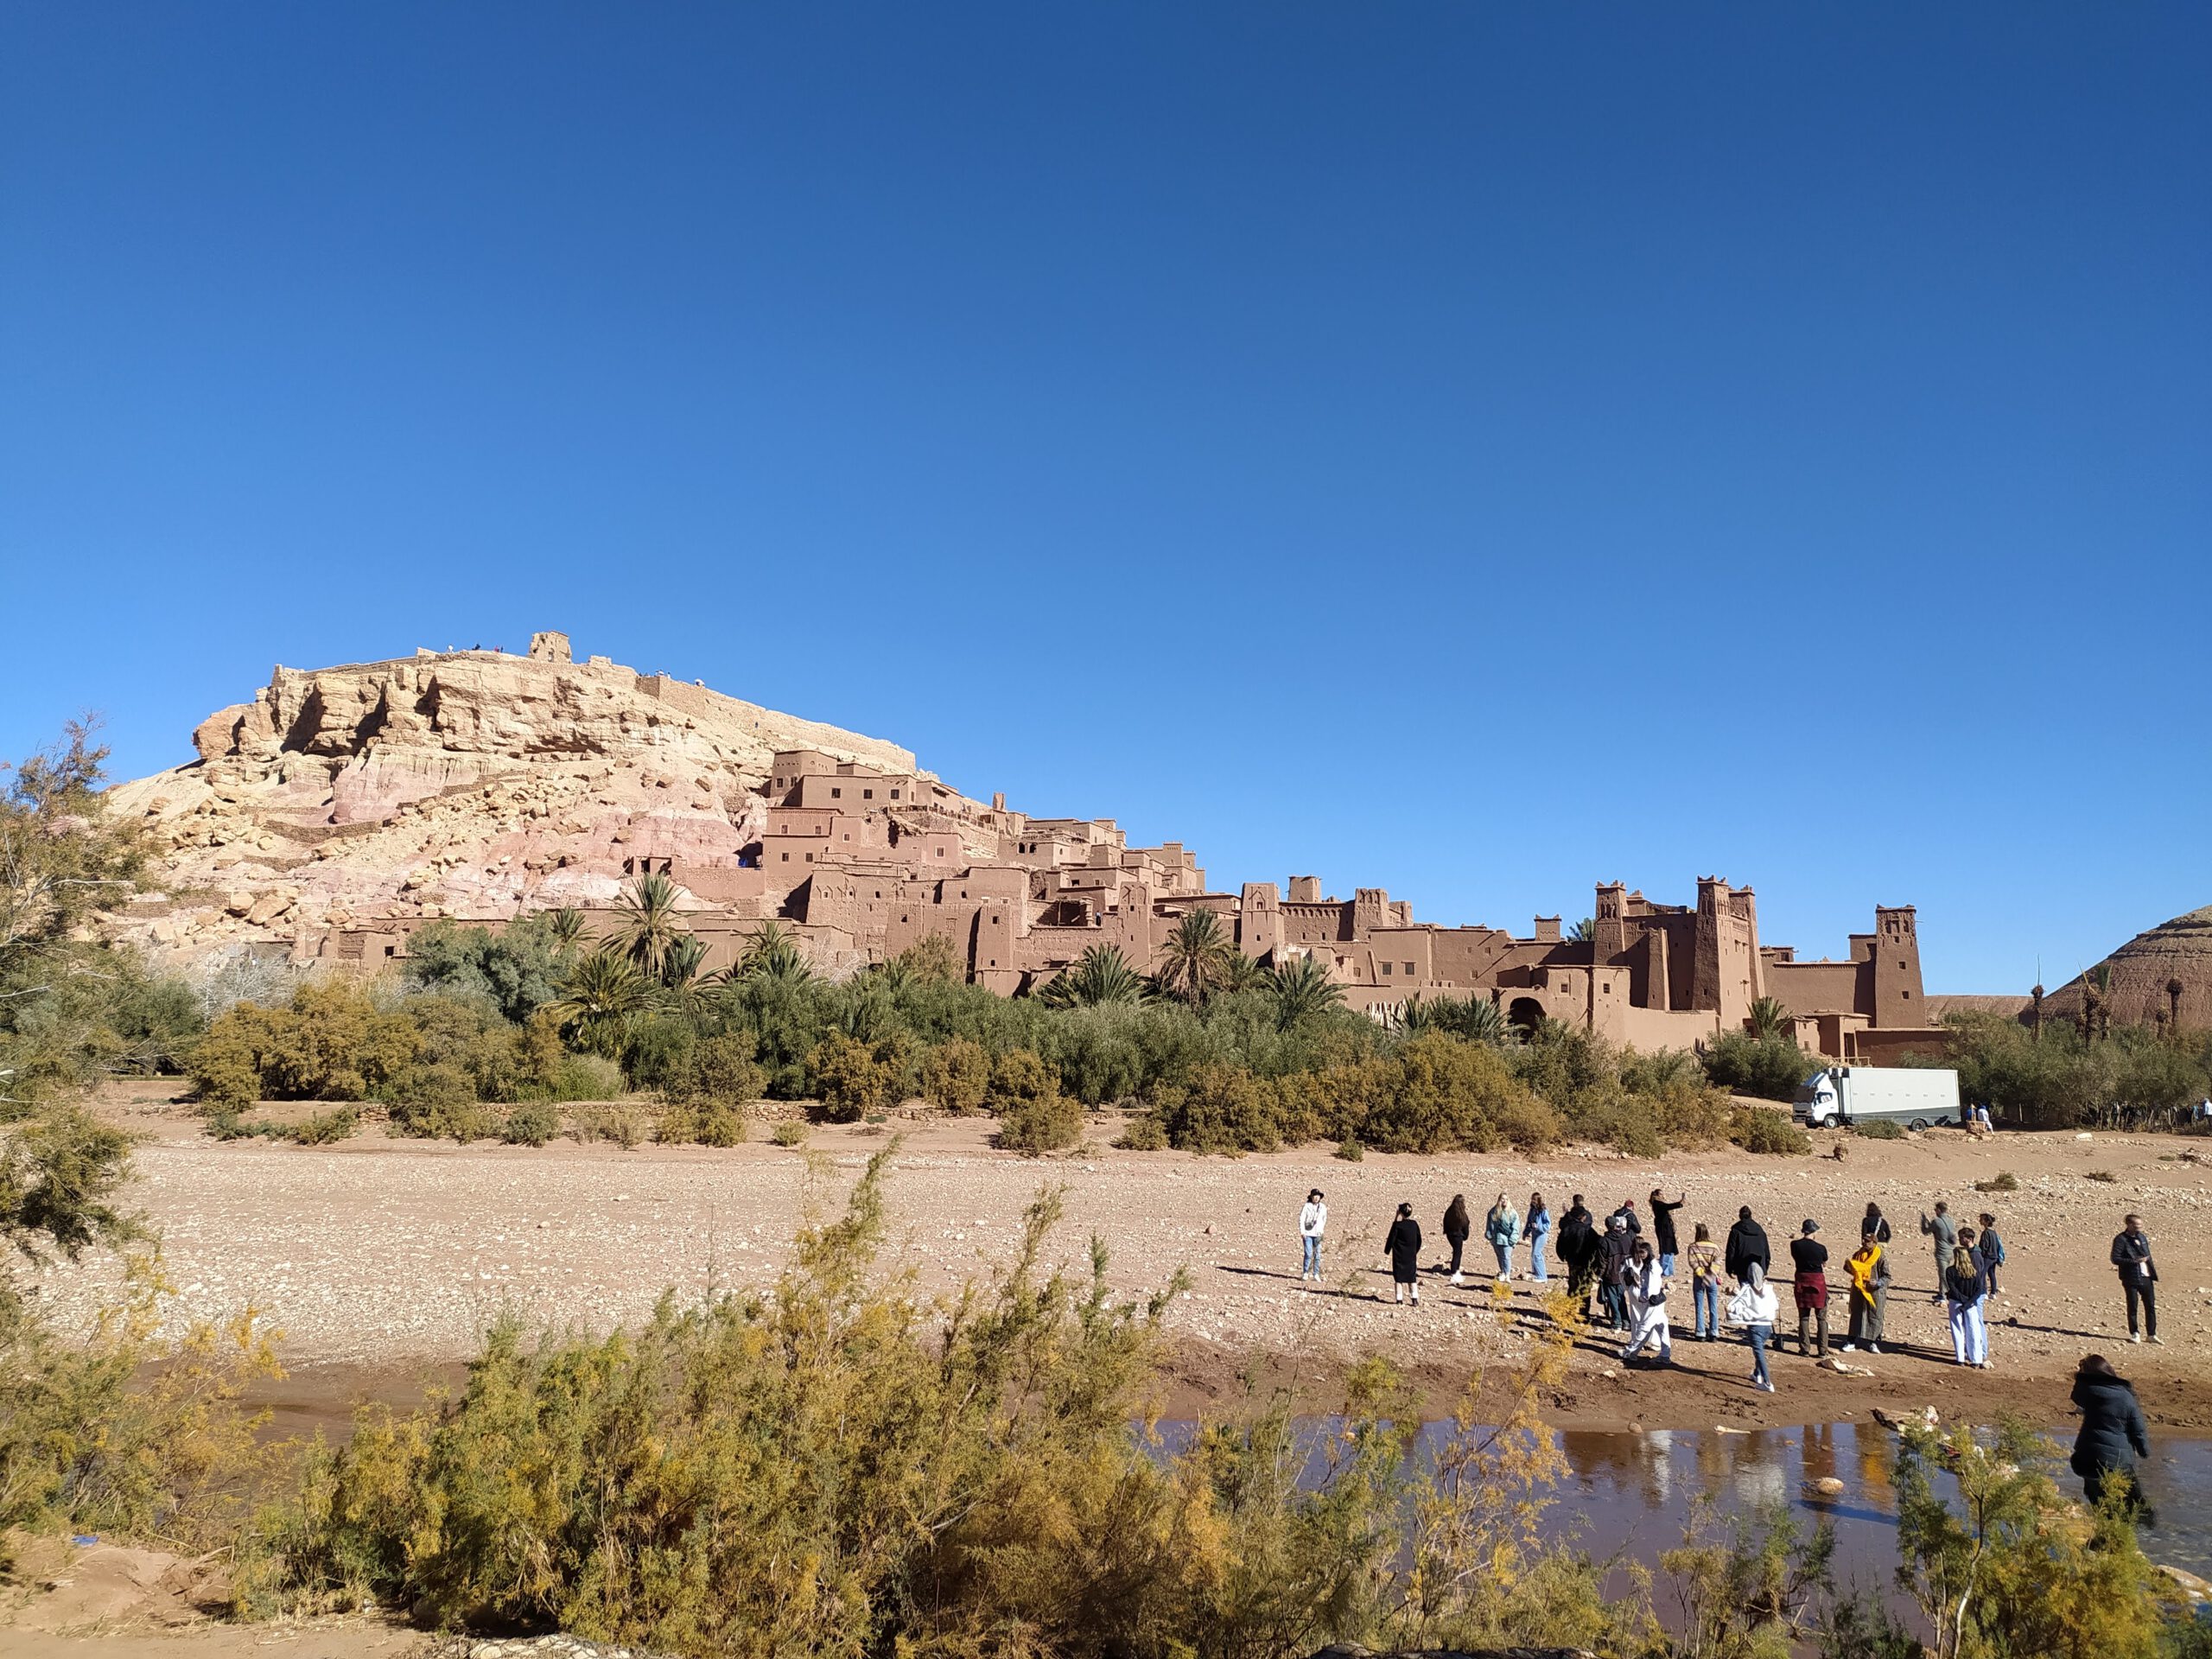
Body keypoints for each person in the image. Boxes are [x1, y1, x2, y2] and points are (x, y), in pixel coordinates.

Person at [2071, 1354, 2154, 1518]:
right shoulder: (2125, 1396)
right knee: (2133, 1506)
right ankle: (2141, 1535)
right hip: (2117, 1461)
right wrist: (2144, 1451)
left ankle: (2103, 1533)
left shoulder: (2087, 1391)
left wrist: (2081, 1377)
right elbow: (2138, 1429)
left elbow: (2076, 1396)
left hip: (2087, 1458)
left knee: (2099, 1503)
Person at [1620, 1237, 1672, 1366]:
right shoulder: (1651, 1265)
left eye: (1643, 1252)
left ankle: (1630, 1352)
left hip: (1652, 1300)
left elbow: (1652, 1284)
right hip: (1656, 1300)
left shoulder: (1652, 1266)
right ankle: (1665, 1355)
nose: (1641, 1255)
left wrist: (1646, 1297)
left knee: (1644, 1327)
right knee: (1662, 1327)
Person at [1729, 1261, 1779, 1393]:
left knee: (1759, 1353)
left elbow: (1740, 1305)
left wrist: (1731, 1308)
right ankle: (1757, 1374)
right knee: (1760, 1350)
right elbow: (1776, 1306)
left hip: (1755, 1327)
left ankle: (1768, 1382)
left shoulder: (1748, 1290)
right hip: (1768, 1326)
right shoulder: (1768, 1289)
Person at [2112, 1214, 2159, 1344]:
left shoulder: (2142, 1237)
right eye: (2137, 1225)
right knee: (2133, 1306)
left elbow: (2148, 1256)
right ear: (2129, 1225)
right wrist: (2134, 1261)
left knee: (2150, 1306)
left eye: (2141, 1224)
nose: (2140, 1227)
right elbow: (2115, 1259)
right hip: (2130, 1277)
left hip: (2146, 1277)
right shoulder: (2120, 1239)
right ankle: (2135, 1333)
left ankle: (2151, 1334)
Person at [1840, 1231, 1888, 1354]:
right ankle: (1851, 1341)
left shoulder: (1880, 1257)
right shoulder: (1858, 1254)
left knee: (1875, 1316)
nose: (1864, 1243)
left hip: (1875, 1292)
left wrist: (1878, 1283)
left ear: (1874, 1243)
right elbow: (1851, 1269)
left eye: (1867, 1241)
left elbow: (1887, 1276)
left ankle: (1873, 1342)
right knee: (1856, 1315)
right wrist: (1850, 1267)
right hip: (1859, 1289)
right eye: (1863, 1240)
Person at [1789, 1219, 1830, 1358]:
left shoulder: (1794, 1245)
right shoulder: (1821, 1248)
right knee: (1821, 1318)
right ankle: (1822, 1350)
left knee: (1804, 1317)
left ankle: (1805, 1349)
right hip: (1817, 1281)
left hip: (1802, 1280)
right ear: (1814, 1232)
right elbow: (1824, 1261)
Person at [1945, 1244, 1988, 1367]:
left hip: (1956, 1302)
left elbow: (1952, 1288)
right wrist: (1968, 1302)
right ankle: (1976, 1359)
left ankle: (1960, 1358)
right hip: (1971, 1304)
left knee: (1957, 1329)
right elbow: (1979, 1289)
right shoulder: (1974, 1272)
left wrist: (1962, 1301)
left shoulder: (1950, 1271)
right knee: (1973, 1330)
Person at [1685, 1221, 1722, 1341]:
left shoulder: (1693, 1247)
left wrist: (1702, 1274)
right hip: (1711, 1278)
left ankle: (1700, 1332)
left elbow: (1693, 1262)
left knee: (1699, 1306)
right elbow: (1717, 1263)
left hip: (1698, 1278)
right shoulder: (1715, 1247)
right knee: (1713, 1306)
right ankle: (1714, 1332)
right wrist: (1711, 1275)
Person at [1599, 1213, 1636, 1332]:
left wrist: (1599, 1275)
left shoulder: (1604, 1241)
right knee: (1621, 1297)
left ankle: (1617, 1322)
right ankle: (1626, 1321)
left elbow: (1602, 1261)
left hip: (1610, 1274)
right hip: (1623, 1274)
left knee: (1613, 1298)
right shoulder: (1626, 1238)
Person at [1383, 1203, 1424, 1306]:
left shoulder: (1397, 1225)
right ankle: (1414, 1299)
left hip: (1399, 1256)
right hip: (1411, 1256)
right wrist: (1415, 1251)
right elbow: (1419, 1240)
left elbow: (1391, 1238)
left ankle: (1399, 1299)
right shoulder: (1414, 1224)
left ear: (1400, 1212)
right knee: (1412, 1278)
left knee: (1399, 1278)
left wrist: (1387, 1250)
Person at [1558, 1195, 1598, 1300]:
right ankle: (1583, 1313)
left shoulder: (1568, 1228)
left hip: (1573, 1261)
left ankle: (1570, 1310)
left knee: (1573, 1284)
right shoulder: (1588, 1230)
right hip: (1586, 1262)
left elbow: (1560, 1243)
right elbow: (1597, 1243)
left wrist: (1563, 1256)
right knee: (1585, 1286)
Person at [1920, 1202, 1958, 1302]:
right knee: (1948, 1273)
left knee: (1943, 1274)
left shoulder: (1937, 1221)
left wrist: (1924, 1221)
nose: (1935, 1211)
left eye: (1936, 1209)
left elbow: (1925, 1231)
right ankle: (1945, 1292)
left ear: (1939, 1210)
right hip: (1951, 1251)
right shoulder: (1951, 1220)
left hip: (1942, 1252)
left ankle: (1943, 1295)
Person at [1725, 1206, 1770, 1285]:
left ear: (1740, 1216)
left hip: (1742, 1266)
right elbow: (1766, 1252)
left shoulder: (1736, 1231)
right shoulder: (1760, 1231)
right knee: (1756, 1292)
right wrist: (1765, 1268)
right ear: (1750, 1215)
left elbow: (1731, 1251)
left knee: (1745, 1292)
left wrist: (1729, 1268)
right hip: (1758, 1265)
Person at [1483, 1192, 1521, 1283]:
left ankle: (1507, 1274)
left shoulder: (1512, 1213)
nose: (1504, 1201)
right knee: (1500, 1256)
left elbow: (1516, 1227)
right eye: (1502, 1199)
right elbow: (1489, 1224)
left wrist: (1513, 1239)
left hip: (1507, 1239)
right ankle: (1503, 1272)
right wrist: (1489, 1235)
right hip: (1496, 1239)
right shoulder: (1493, 1212)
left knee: (1506, 1256)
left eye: (1506, 1199)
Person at [1649, 1188, 1686, 1278]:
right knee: (1666, 1250)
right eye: (1661, 1194)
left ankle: (1670, 1271)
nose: (1663, 1196)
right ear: (1657, 1195)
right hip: (1664, 1230)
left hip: (1667, 1229)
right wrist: (1679, 1203)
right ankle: (1664, 1271)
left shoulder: (1659, 1203)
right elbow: (1667, 1207)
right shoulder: (1657, 1203)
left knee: (1670, 1250)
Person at [1298, 1188, 1327, 1284]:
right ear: (1311, 1197)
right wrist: (1302, 1232)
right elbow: (1302, 1219)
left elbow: (1324, 1219)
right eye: (1314, 1196)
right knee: (1308, 1253)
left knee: (1317, 1254)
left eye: (1318, 1196)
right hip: (1308, 1233)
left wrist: (1321, 1230)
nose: (1316, 1198)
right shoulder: (1306, 1206)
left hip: (1318, 1234)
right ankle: (1306, 1272)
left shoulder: (1323, 1207)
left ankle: (1316, 1274)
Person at [1442, 1194, 1472, 1287]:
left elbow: (1445, 1222)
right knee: (1457, 1253)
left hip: (1450, 1235)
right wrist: (1465, 1236)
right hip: (1458, 1236)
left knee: (1456, 1252)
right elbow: (1466, 1225)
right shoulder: (1462, 1214)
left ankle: (1456, 1272)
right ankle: (1454, 1272)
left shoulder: (1449, 1212)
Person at [1975, 1211, 2006, 1298]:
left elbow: (1984, 1246)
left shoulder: (1986, 1233)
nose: (1979, 1221)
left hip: (1987, 1257)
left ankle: (1983, 1292)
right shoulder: (1994, 1233)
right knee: (1992, 1274)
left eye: (1981, 1219)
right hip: (1995, 1257)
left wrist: (1981, 1255)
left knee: (1982, 1274)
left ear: (1986, 1221)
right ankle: (1993, 1293)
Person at [1526, 1192, 1552, 1282]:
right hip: (1534, 1234)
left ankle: (1542, 1276)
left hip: (1541, 1235)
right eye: (1532, 1199)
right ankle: (1537, 1274)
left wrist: (1539, 1227)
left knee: (1536, 1253)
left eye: (1534, 1199)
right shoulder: (1532, 1210)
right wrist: (1526, 1232)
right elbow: (1529, 1221)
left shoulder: (1543, 1210)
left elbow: (1548, 1225)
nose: (1533, 1201)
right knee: (1535, 1254)